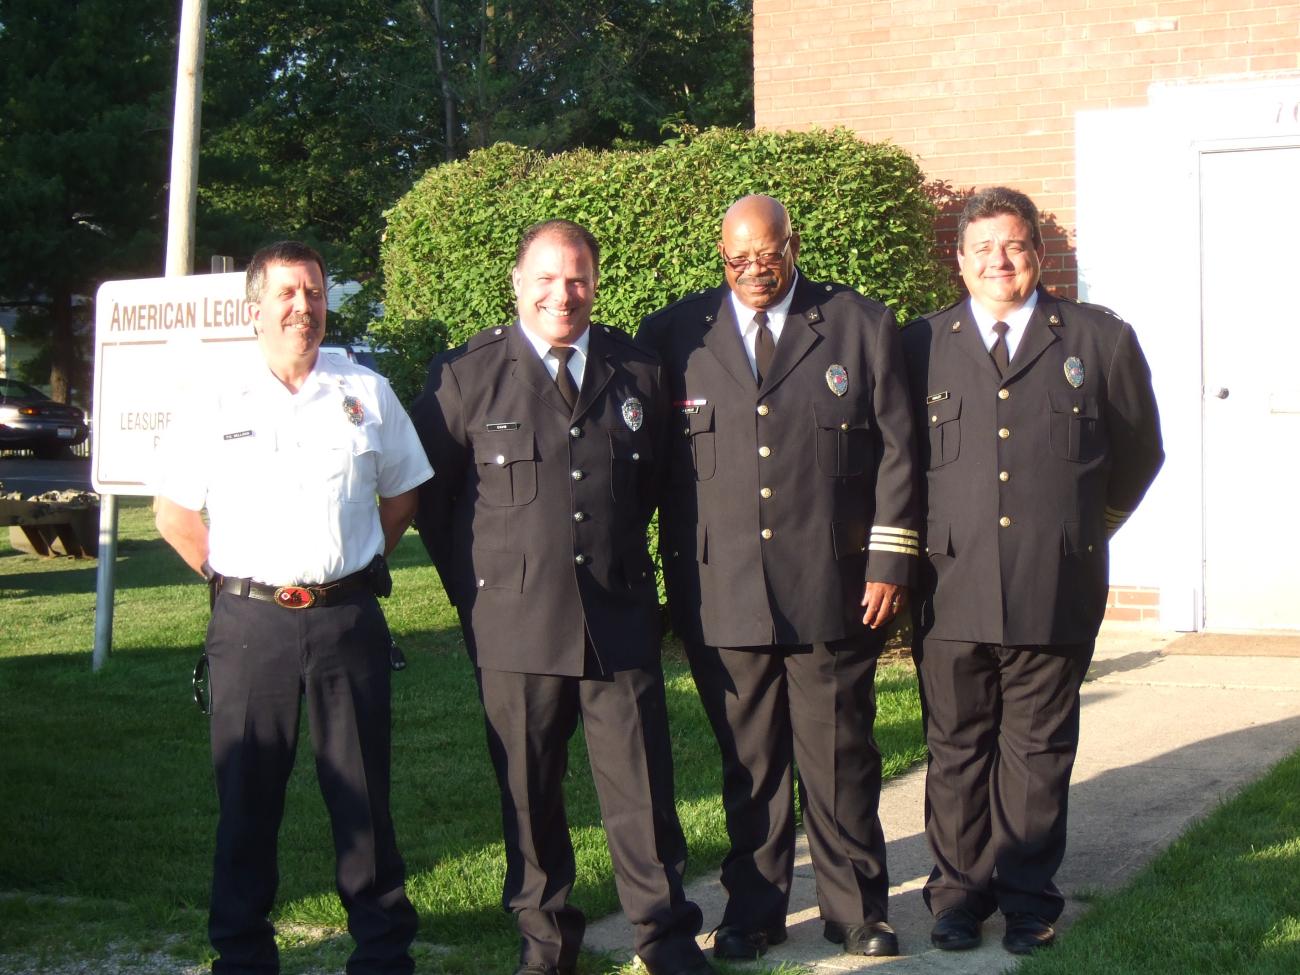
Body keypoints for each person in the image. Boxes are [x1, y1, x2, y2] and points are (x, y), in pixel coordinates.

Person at [411, 220, 712, 975]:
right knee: (529, 795)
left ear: (596, 282)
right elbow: (434, 503)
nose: (562, 293)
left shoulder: (635, 368)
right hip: (514, 625)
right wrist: (476, 602)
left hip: (618, 617)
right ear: (517, 282)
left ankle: (665, 939)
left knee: (643, 792)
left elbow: (651, 488)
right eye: (546, 277)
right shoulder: (465, 376)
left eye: (577, 277)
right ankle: (546, 946)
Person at [636, 195, 920, 961]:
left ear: (794, 244)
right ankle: (754, 911)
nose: (753, 270)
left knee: (841, 756)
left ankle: (856, 906)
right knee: (749, 763)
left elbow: (900, 450)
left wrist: (890, 559)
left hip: (831, 583)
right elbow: (648, 467)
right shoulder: (675, 335)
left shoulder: (858, 324)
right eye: (737, 259)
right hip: (720, 588)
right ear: (719, 256)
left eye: (767, 254)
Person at [901, 187, 1164, 955]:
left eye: (1013, 246)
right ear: (959, 259)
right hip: (951, 586)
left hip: (1056, 584)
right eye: (981, 248)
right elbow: (901, 464)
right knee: (955, 749)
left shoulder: (1097, 339)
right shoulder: (921, 345)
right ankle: (956, 898)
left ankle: (1026, 899)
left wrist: (1082, 531)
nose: (998, 261)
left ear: (1039, 255)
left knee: (1038, 752)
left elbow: (1139, 454)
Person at [155, 240, 429, 975]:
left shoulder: (366, 390)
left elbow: (403, 492)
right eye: (285, 294)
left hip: (348, 620)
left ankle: (382, 953)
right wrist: (233, 580)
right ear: (255, 309)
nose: (301, 307)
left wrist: (360, 558)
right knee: (247, 798)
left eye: (312, 292)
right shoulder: (215, 398)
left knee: (364, 798)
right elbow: (174, 515)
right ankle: (242, 956)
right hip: (250, 626)